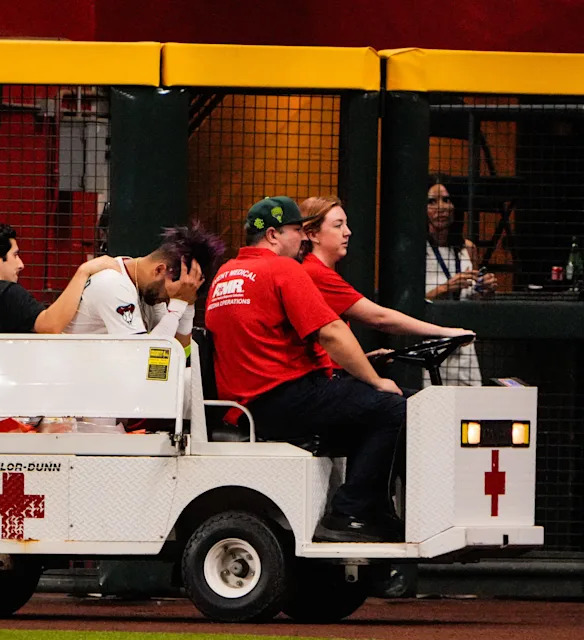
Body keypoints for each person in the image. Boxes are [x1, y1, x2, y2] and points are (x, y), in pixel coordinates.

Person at [205, 196, 405, 543]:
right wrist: (375, 379)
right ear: (272, 235)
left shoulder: (225, 275)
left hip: (246, 408)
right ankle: (351, 513)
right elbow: (331, 332)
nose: (303, 239)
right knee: (394, 408)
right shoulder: (282, 269)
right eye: (297, 230)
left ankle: (366, 509)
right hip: (286, 397)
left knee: (363, 415)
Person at [299, 195, 474, 363]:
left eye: (346, 224)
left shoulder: (315, 269)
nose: (348, 232)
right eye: (338, 226)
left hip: (331, 375)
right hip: (325, 383)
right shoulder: (315, 272)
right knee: (395, 393)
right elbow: (379, 318)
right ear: (312, 234)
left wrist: (364, 359)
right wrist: (445, 332)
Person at [63, 225, 226, 349]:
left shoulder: (149, 290)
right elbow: (142, 357)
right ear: (160, 270)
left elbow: (178, 352)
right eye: (169, 296)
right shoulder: (113, 284)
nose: (167, 300)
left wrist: (188, 305)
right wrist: (177, 305)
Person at [424, 177, 495, 386]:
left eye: (447, 200)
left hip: (463, 343)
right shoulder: (416, 249)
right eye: (432, 201)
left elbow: (472, 298)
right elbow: (408, 304)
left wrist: (485, 290)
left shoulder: (467, 248)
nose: (441, 208)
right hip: (429, 342)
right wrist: (447, 287)